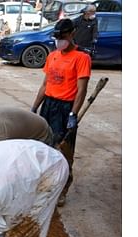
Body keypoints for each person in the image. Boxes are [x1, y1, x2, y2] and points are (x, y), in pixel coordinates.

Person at [31, 18, 91, 207]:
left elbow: (82, 90)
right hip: (48, 104)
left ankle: (63, 189)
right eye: (57, 37)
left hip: (66, 108)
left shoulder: (82, 58)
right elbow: (44, 85)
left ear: (72, 34)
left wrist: (73, 114)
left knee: (63, 150)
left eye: (63, 37)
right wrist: (34, 107)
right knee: (44, 146)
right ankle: (45, 184)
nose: (59, 41)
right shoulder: (53, 55)